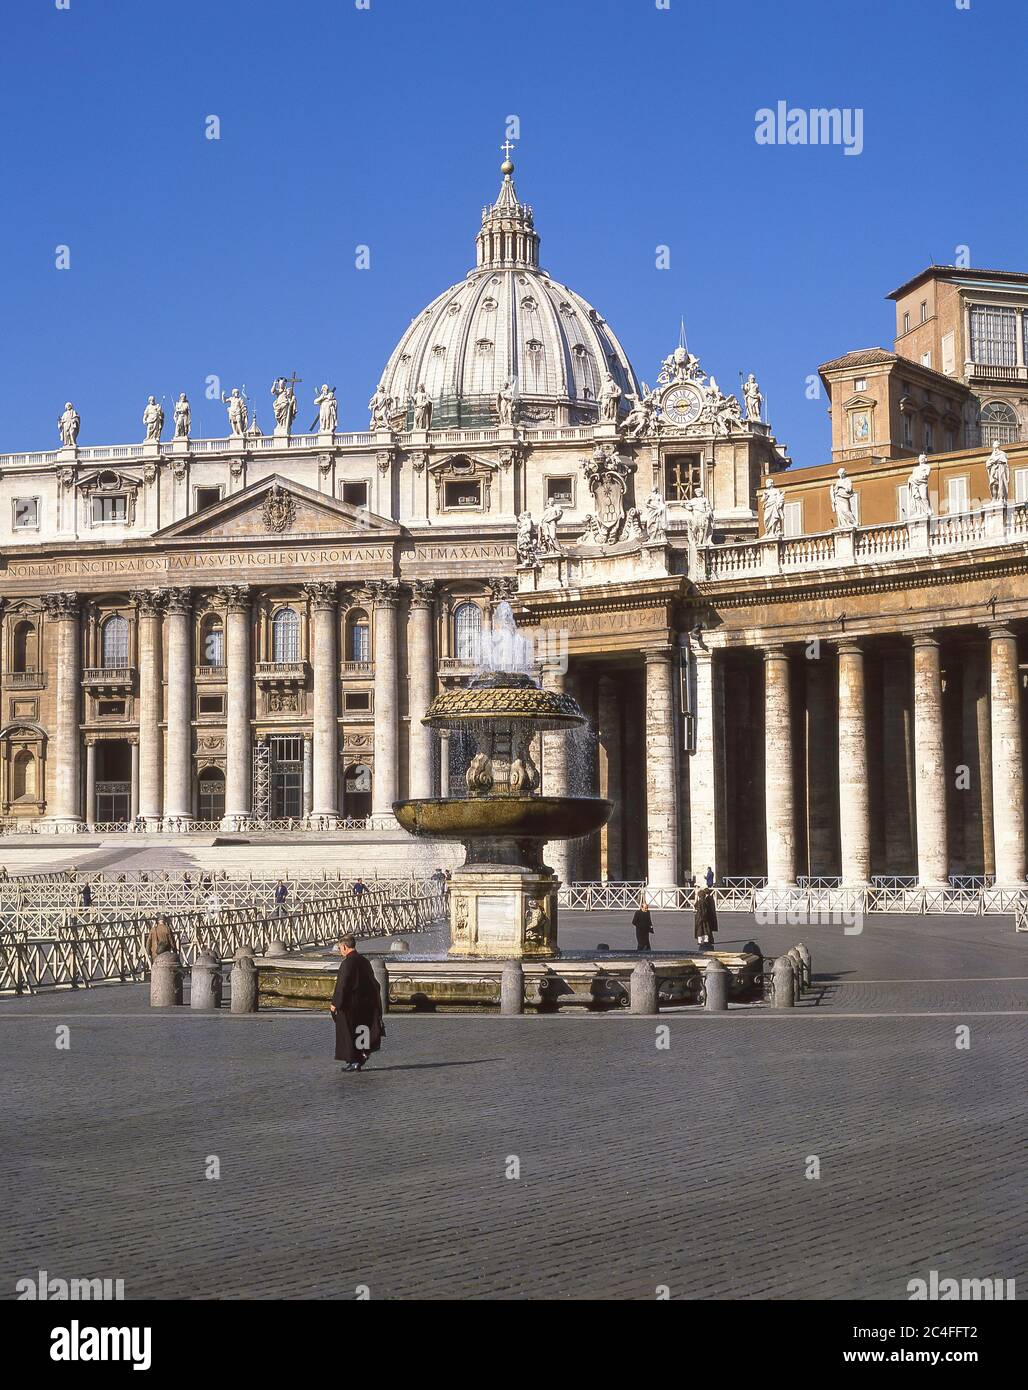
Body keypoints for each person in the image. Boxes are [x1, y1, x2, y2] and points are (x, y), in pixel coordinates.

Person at [330, 936, 384, 1072]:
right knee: (362, 1030)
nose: (340, 951)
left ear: (344, 947)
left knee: (348, 1032)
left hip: (350, 1004)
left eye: (339, 948)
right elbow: (374, 983)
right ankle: (361, 1057)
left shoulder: (347, 963)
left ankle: (353, 1060)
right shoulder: (364, 961)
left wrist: (335, 1003)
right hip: (365, 1003)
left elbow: (342, 985)